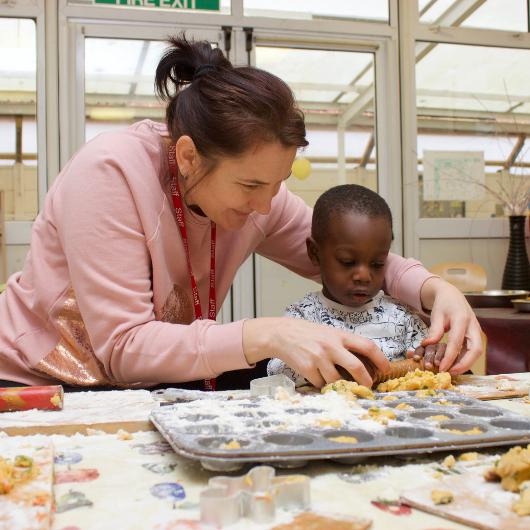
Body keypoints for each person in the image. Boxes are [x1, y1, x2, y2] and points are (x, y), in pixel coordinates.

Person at [0, 35, 482, 391]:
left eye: (279, 183)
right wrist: (267, 333)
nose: (267, 206)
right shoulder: (109, 174)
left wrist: (435, 289)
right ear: (188, 157)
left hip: (142, 386)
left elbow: (342, 248)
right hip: (35, 384)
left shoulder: (262, 198)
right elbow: (126, 347)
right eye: (251, 185)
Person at [268, 184, 447, 386]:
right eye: (347, 262)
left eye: (377, 264)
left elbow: (425, 363)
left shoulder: (401, 316)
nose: (363, 276)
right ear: (314, 253)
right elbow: (277, 371)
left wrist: (434, 356)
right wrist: (332, 366)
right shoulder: (302, 317)